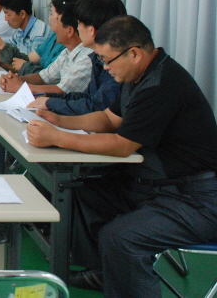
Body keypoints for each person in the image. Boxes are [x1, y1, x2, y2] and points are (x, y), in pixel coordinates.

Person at [26, 16, 217, 297]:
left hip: (195, 199)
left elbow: (122, 145)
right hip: (156, 185)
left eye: (107, 60)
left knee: (121, 238)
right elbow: (109, 119)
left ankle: (118, 268)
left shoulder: (161, 85)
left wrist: (57, 138)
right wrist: (58, 120)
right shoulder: (137, 74)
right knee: (83, 190)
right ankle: (108, 271)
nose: (104, 67)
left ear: (135, 53)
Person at [27, 0, 126, 115]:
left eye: (79, 23)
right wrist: (46, 97)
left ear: (92, 30)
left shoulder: (114, 65)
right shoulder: (96, 58)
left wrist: (49, 103)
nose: (77, 28)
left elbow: (96, 108)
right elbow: (86, 98)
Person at [0, 0, 92, 95]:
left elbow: (62, 91)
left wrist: (21, 87)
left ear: (70, 30)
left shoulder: (87, 57)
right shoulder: (67, 51)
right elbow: (44, 77)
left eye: (57, 19)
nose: (50, 20)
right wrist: (16, 80)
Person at [0, 0, 79, 75]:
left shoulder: (43, 35)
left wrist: (23, 68)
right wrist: (1, 50)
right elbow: (28, 59)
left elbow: (46, 78)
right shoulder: (53, 37)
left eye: (52, 14)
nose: (49, 18)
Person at [0, 0, 51, 67]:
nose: (6, 19)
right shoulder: (21, 31)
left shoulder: (39, 34)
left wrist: (2, 46)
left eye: (8, 14)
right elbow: (11, 53)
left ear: (22, 14)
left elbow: (31, 67)